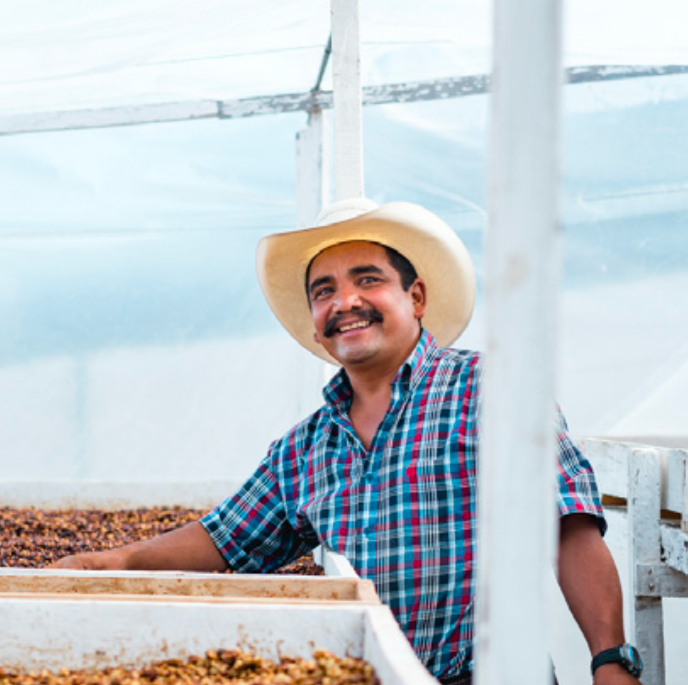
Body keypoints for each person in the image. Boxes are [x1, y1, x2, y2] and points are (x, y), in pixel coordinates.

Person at [50, 199, 642, 685]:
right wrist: (116, 560)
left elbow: (568, 523)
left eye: (368, 280)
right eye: (324, 290)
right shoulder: (305, 446)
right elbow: (224, 539)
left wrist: (610, 658)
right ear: (314, 322)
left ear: (416, 298)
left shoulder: (489, 388)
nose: (345, 302)